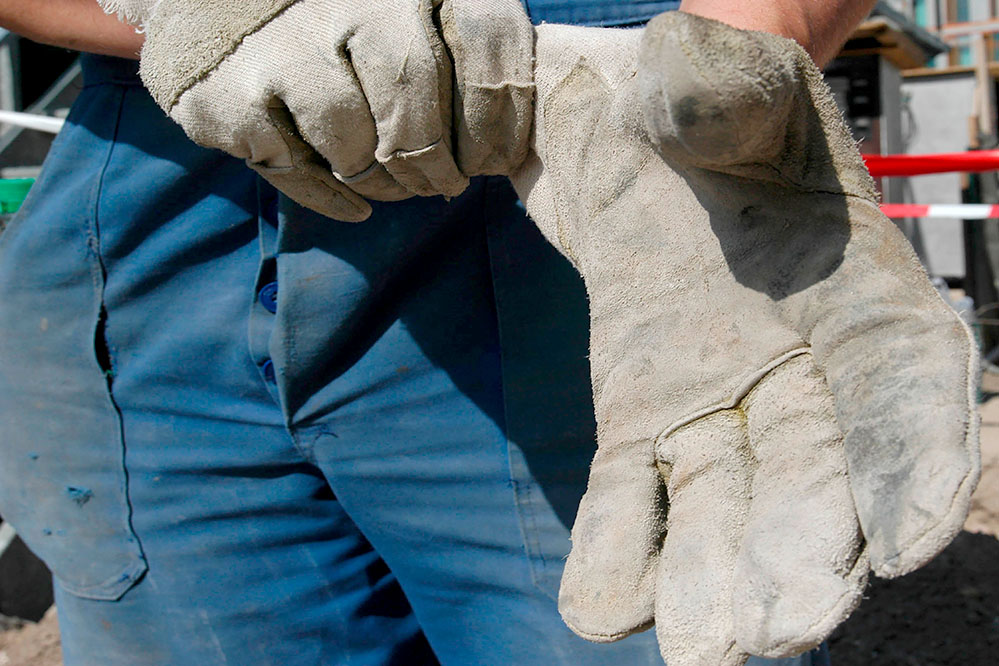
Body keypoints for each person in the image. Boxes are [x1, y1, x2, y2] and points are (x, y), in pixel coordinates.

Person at [0, 0, 973, 664]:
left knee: (664, 602)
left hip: (598, 160)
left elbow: (740, 43)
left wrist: (736, 66)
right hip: (167, 165)